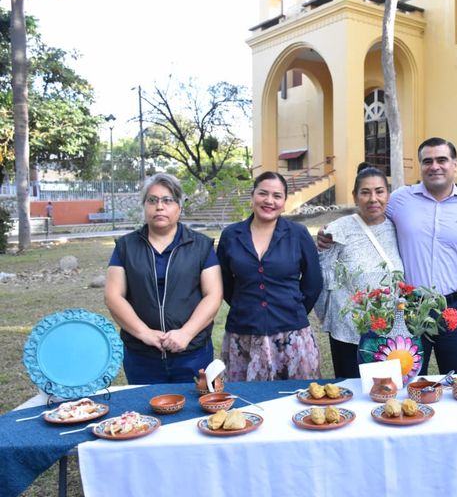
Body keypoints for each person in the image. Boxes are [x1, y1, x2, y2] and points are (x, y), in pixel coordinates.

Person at [318, 137, 457, 374]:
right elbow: (371, 218)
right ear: (420, 165)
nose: (435, 166)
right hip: (409, 309)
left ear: (455, 165)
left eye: (442, 160)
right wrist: (326, 236)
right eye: (427, 161)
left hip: (453, 305)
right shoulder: (399, 199)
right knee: (407, 379)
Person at [105, 173, 223, 384]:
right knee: (145, 413)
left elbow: (213, 294)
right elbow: (114, 296)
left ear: (179, 206)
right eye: (152, 200)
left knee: (195, 411)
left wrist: (186, 333)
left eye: (167, 200)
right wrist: (145, 333)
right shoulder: (126, 247)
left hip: (193, 353)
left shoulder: (201, 246)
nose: (159, 207)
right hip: (142, 355)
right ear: (144, 206)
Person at [217, 171, 323, 381]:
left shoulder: (298, 234)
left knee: (298, 401)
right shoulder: (231, 235)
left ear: (284, 202)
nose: (269, 201)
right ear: (252, 196)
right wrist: (248, 306)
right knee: (248, 404)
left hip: (292, 334)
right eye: (263, 193)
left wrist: (292, 308)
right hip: (243, 331)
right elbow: (225, 284)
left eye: (277, 196)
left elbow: (313, 283)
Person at [314, 164, 403, 378]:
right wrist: (331, 317)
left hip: (389, 331)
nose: (373, 199)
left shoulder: (397, 228)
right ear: (355, 196)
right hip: (348, 333)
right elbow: (323, 280)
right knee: (351, 393)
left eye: (379, 191)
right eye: (365, 192)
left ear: (388, 195)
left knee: (387, 394)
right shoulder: (336, 231)